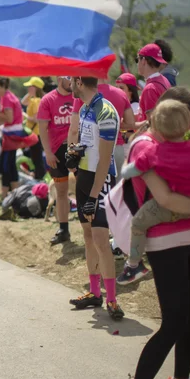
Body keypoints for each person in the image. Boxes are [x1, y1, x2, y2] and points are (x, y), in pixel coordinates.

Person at [130, 87, 190, 379]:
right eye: (184, 117)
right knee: (175, 322)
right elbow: (165, 199)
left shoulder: (183, 146)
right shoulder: (145, 147)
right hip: (165, 242)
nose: (186, 125)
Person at [117, 99, 190, 285]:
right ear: (189, 125)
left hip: (166, 209)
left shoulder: (153, 152)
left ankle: (134, 265)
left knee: (138, 224)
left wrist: (127, 160)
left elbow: (128, 173)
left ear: (156, 125)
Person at [65, 76, 124, 320]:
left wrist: (92, 194)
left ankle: (111, 299)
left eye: (71, 79)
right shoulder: (85, 106)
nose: (68, 83)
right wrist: (74, 157)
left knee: (100, 239)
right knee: (88, 236)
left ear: (79, 81)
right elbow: (87, 144)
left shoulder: (106, 111)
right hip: (85, 177)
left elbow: (105, 158)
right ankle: (94, 292)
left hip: (101, 179)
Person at [38, 77, 75, 245]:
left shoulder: (79, 96)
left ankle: (89, 229)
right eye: (70, 78)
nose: (73, 81)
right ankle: (63, 229)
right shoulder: (48, 99)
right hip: (56, 152)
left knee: (83, 191)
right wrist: (48, 152)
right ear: (61, 79)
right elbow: (42, 129)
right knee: (61, 192)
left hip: (77, 149)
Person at [0, 77, 25, 200]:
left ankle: (5, 196)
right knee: (10, 165)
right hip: (13, 133)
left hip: (11, 135)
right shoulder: (7, 96)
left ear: (4, 86)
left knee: (6, 165)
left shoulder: (6, 98)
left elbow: (9, 118)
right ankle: (14, 195)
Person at [137, 43, 172, 120]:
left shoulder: (150, 88)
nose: (137, 63)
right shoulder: (164, 80)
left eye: (138, 59)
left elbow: (152, 123)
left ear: (143, 61)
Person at [22, 77, 46, 180]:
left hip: (35, 133)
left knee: (36, 157)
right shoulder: (35, 99)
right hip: (35, 133)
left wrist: (25, 115)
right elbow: (23, 102)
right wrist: (31, 93)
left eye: (30, 86)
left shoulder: (36, 101)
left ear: (35, 88)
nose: (28, 88)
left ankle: (39, 176)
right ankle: (38, 174)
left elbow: (36, 119)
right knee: (35, 156)